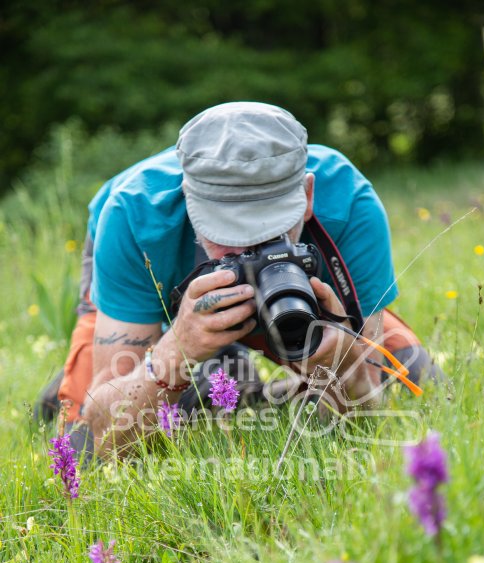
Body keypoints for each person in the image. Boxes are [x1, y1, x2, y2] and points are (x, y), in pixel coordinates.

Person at [38, 101, 440, 457]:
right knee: (81, 447)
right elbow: (105, 442)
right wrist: (176, 351)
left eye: (269, 234)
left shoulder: (348, 203)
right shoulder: (134, 214)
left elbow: (364, 419)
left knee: (415, 374)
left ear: (307, 196)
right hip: (140, 256)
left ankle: (235, 375)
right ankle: (214, 367)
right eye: (228, 237)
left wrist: (342, 365)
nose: (249, 253)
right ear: (189, 203)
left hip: (303, 287)